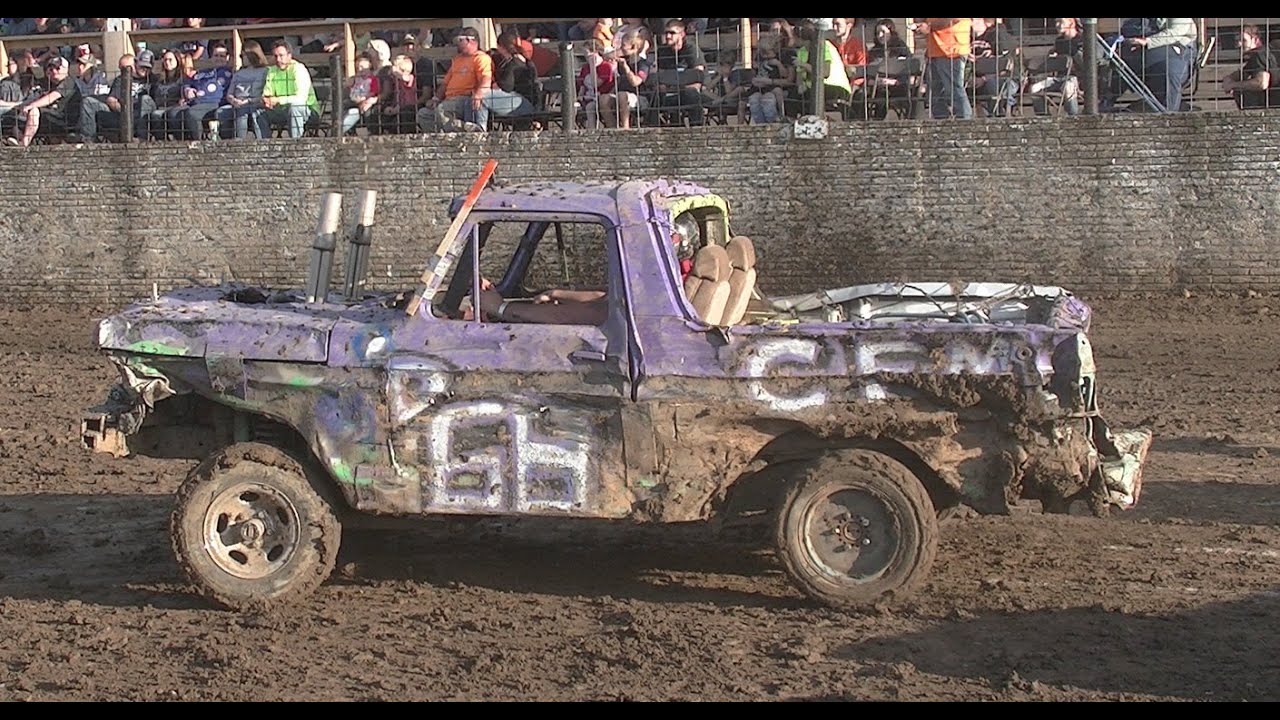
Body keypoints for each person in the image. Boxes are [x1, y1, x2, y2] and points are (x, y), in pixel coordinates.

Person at [417, 26, 491, 132]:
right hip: (448, 100)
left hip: (465, 99)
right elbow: (445, 83)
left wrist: (479, 94)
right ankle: (459, 131)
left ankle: (466, 131)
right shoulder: (457, 60)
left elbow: (486, 79)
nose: (458, 43)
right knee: (423, 114)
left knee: (442, 110)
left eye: (461, 40)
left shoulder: (481, 58)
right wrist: (436, 98)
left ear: (471, 41)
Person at [1124, 18, 1197, 112]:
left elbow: (1175, 33)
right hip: (1143, 59)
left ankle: (1169, 115)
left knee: (1169, 70)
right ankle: (1105, 103)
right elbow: (1127, 30)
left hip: (1178, 55)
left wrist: (1147, 41)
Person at [7, 55, 79, 146]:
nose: (54, 71)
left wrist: (31, 106)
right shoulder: (46, 84)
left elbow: (52, 97)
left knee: (34, 111)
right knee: (12, 118)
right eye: (51, 68)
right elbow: (34, 98)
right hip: (47, 118)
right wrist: (21, 108)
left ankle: (24, 143)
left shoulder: (69, 82)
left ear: (66, 69)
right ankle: (21, 141)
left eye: (57, 68)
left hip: (64, 120)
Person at [257, 40, 319, 138]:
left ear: (289, 55)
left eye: (281, 55)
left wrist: (277, 100)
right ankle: (264, 145)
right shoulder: (271, 70)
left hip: (308, 110)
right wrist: (266, 100)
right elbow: (267, 93)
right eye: (275, 56)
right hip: (282, 110)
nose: (278, 59)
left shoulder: (299, 69)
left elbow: (301, 99)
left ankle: (295, 144)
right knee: (257, 111)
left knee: (294, 107)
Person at [650, 19, 707, 126]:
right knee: (655, 95)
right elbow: (660, 81)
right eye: (666, 32)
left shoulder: (691, 49)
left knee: (692, 94)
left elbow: (698, 79)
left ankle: (697, 129)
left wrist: (673, 84)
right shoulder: (663, 51)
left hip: (693, 93)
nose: (668, 36)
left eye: (672, 33)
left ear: (682, 34)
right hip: (671, 93)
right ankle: (652, 130)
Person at [914, 18, 972, 119]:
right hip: (935, 50)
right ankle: (942, 124)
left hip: (952, 51)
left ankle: (965, 123)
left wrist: (929, 27)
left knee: (954, 90)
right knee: (934, 94)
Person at [94, 52, 156, 142]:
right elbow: (111, 99)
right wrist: (124, 110)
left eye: (148, 67)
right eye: (142, 66)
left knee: (145, 99)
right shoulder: (120, 79)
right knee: (89, 103)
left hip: (145, 114)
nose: (144, 69)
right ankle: (88, 139)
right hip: (124, 113)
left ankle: (142, 138)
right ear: (136, 64)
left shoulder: (154, 80)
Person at [1027, 18, 1084, 116]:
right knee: (1034, 88)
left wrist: (1074, 54)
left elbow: (1085, 63)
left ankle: (1073, 117)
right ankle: (1044, 117)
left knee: (1068, 87)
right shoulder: (1059, 41)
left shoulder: (1081, 40)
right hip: (1059, 78)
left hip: (1077, 79)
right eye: (1056, 22)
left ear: (1071, 22)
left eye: (1060, 21)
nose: (1057, 25)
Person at [176, 41, 233, 139]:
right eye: (216, 55)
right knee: (174, 113)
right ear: (211, 57)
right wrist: (188, 90)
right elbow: (187, 83)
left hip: (215, 103)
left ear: (227, 57)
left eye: (222, 56)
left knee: (192, 113)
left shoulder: (231, 73)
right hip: (194, 102)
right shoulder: (202, 72)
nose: (218, 58)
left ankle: (198, 142)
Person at [215, 40, 270, 139]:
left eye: (242, 56)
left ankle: (250, 140)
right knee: (221, 111)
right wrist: (233, 100)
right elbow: (229, 94)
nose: (241, 58)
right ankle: (228, 139)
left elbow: (265, 93)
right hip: (238, 102)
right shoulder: (238, 73)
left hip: (256, 102)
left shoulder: (265, 71)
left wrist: (248, 101)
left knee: (246, 109)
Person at [599, 30, 651, 128]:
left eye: (623, 45)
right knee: (603, 99)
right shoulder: (623, 61)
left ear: (633, 47)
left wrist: (626, 68)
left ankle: (625, 129)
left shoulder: (643, 64)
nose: (621, 48)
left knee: (622, 96)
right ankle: (612, 128)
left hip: (639, 97)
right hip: (620, 95)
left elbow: (636, 82)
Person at [969, 18, 1020, 117]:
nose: (970, 23)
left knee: (991, 85)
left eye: (973, 19)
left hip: (1004, 79)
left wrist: (984, 78)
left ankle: (997, 117)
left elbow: (1007, 65)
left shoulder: (997, 35)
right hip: (977, 79)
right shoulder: (966, 40)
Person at [1223, 24, 1278, 109]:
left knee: (1242, 91)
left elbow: (1261, 83)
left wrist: (1233, 84)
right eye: (1237, 41)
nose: (1239, 44)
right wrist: (1229, 78)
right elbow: (1244, 72)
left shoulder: (1259, 54)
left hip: (1273, 106)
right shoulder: (1262, 54)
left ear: (1255, 40)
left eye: (1243, 40)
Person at [577, 39, 616, 128]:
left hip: (603, 96)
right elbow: (582, 86)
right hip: (588, 97)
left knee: (591, 107)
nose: (587, 57)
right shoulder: (585, 68)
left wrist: (592, 66)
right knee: (585, 107)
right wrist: (579, 97)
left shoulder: (606, 66)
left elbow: (596, 84)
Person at [340, 52, 381, 135]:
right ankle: (348, 128)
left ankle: (371, 130)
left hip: (366, 99)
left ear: (369, 66)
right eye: (358, 67)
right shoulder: (356, 78)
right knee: (344, 105)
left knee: (367, 112)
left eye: (362, 67)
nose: (360, 69)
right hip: (354, 99)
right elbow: (350, 87)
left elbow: (373, 92)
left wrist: (365, 98)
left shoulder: (373, 79)